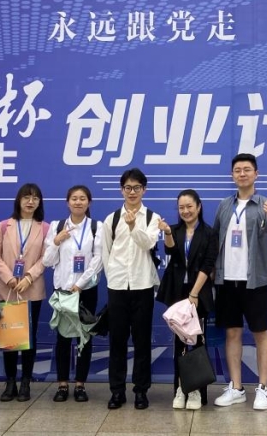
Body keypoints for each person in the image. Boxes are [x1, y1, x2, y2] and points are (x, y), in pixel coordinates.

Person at [211, 153, 267, 411]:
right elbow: (215, 241)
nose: (242, 174)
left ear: (256, 174)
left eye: (247, 169)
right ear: (232, 175)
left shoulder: (265, 205)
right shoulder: (224, 205)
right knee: (232, 333)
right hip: (226, 280)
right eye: (237, 170)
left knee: (260, 332)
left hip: (255, 281)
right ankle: (236, 388)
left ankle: (263, 389)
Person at [101, 167, 161, 410]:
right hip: (117, 287)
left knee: (142, 341)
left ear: (144, 190)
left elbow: (148, 243)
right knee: (117, 341)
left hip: (142, 285)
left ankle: (141, 391)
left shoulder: (152, 218)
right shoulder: (112, 219)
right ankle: (117, 391)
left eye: (137, 187)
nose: (132, 192)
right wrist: (112, 278)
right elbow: (105, 252)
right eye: (128, 187)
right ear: (121, 190)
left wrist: (134, 225)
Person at [155, 189, 218, 410]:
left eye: (189, 206)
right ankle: (181, 389)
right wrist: (167, 232)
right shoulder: (174, 230)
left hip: (198, 294)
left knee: (198, 342)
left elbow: (207, 265)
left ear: (199, 207)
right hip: (177, 294)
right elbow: (171, 252)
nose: (185, 211)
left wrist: (194, 294)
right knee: (179, 343)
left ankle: (197, 392)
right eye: (181, 207)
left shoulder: (209, 233)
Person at [42, 184, 105, 403]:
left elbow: (98, 260)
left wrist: (80, 283)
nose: (78, 202)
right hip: (62, 290)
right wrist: (56, 242)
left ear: (89, 202)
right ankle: (62, 384)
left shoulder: (96, 227)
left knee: (84, 337)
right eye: (74, 198)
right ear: (67, 202)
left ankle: (80, 384)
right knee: (62, 338)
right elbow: (47, 261)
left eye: (82, 198)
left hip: (85, 290)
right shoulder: (57, 226)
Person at [0, 183, 49, 403]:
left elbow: (46, 257)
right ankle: (10, 382)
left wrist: (29, 277)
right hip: (7, 289)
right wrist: (9, 278)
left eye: (35, 198)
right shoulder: (4, 226)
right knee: (9, 337)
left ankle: (26, 382)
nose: (30, 202)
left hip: (31, 289)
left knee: (28, 338)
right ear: (19, 200)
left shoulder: (45, 228)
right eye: (26, 197)